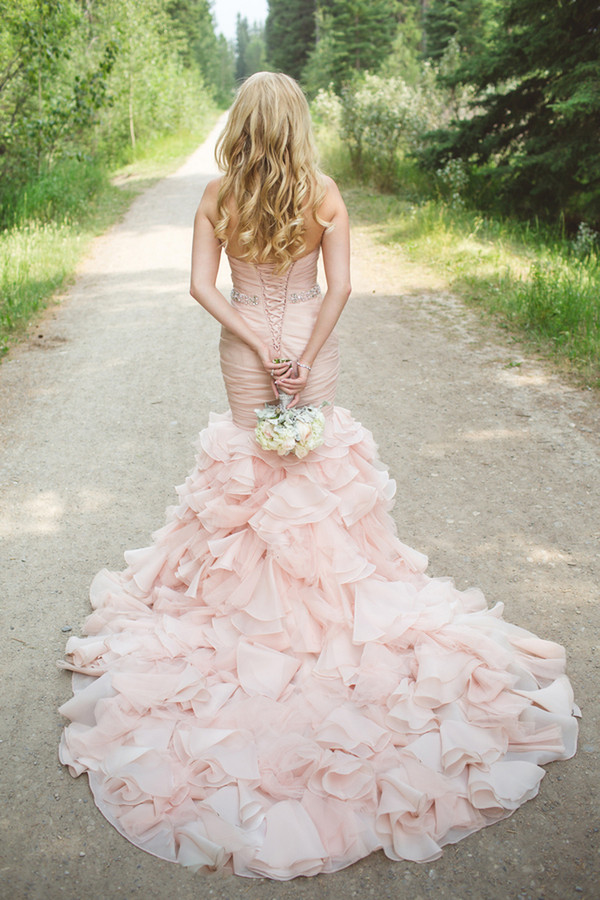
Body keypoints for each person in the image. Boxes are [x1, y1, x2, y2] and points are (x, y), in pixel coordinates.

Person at [59, 73, 578, 880]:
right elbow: (341, 288)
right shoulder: (323, 191)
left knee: (249, 472)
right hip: (311, 339)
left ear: (241, 124)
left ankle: (251, 617)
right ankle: (315, 614)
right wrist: (300, 351)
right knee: (313, 472)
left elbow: (202, 287)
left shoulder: (219, 194)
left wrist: (259, 346)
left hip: (243, 349)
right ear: (298, 123)